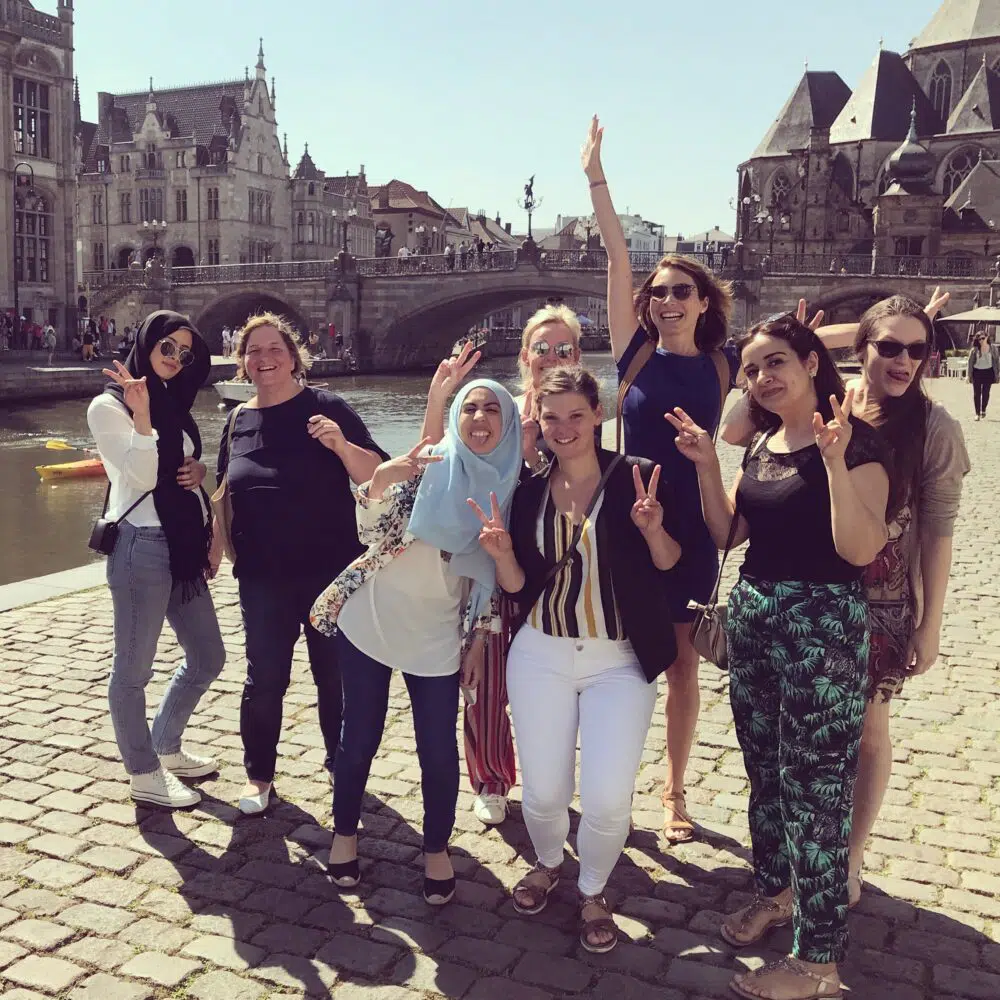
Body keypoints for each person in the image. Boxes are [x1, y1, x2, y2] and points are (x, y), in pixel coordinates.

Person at [666, 314, 889, 1000]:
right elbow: (728, 532)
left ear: (811, 363)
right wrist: (708, 467)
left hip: (823, 628)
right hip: (757, 618)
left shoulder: (857, 444)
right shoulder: (763, 442)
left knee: (815, 791)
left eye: (776, 363)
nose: (763, 377)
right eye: (753, 369)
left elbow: (860, 549)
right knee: (764, 773)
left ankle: (819, 963)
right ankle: (777, 892)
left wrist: (833, 462)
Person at [476, 365, 682, 953]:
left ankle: (593, 889)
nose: (564, 428)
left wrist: (653, 529)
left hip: (620, 659)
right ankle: (547, 862)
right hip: (540, 652)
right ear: (538, 423)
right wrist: (501, 554)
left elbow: (671, 564)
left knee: (608, 797)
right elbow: (520, 586)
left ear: (598, 415)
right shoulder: (529, 491)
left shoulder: (638, 476)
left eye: (576, 415)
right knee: (543, 793)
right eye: (552, 417)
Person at [311, 378, 523, 905]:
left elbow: (490, 585)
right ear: (456, 417)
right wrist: (382, 478)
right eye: (469, 408)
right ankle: (344, 837)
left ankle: (435, 849)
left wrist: (478, 643)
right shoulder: (432, 466)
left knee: (437, 748)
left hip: (437, 632)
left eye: (491, 409)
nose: (479, 418)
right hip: (373, 619)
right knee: (358, 736)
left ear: (508, 423)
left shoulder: (513, 488)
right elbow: (370, 530)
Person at [582, 115, 733, 844]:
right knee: (609, 658)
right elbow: (618, 257)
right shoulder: (634, 353)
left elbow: (808, 353)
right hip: (627, 525)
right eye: (660, 292)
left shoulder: (725, 367)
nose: (667, 300)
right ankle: (599, 781)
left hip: (691, 528)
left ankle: (673, 793)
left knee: (679, 667)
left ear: (703, 302)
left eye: (681, 291)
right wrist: (596, 177)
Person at [418, 304, 591, 827]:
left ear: (578, 356)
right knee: (486, 681)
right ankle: (491, 779)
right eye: (542, 348)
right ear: (525, 356)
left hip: (556, 574)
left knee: (557, 689)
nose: (552, 357)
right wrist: (439, 398)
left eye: (564, 349)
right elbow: (437, 460)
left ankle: (555, 782)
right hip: (490, 570)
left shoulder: (581, 415)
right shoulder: (496, 409)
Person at [218, 312, 387, 815]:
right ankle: (259, 776)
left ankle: (340, 763)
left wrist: (340, 444)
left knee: (332, 675)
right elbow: (226, 490)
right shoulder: (237, 420)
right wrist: (213, 546)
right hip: (261, 576)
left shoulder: (326, 407)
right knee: (264, 678)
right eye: (253, 351)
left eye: (275, 349)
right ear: (243, 363)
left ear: (294, 358)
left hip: (328, 572)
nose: (264, 358)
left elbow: (380, 475)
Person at [843, 296, 970, 907]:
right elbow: (741, 411)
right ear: (861, 348)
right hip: (813, 590)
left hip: (884, 600)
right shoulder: (832, 402)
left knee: (870, 728)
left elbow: (940, 529)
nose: (904, 360)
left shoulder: (936, 426)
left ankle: (851, 853)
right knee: (808, 729)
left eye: (918, 349)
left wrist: (931, 624)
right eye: (889, 346)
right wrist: (812, 339)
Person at [86, 310, 225, 809]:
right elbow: (143, 477)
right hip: (140, 547)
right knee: (132, 670)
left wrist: (197, 468)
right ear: (146, 343)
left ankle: (165, 743)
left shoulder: (171, 400)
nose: (175, 358)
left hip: (180, 547)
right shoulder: (109, 407)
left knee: (208, 655)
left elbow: (178, 463)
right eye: (168, 347)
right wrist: (141, 415)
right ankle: (143, 771)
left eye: (185, 353)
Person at [967, 331, 999, 419]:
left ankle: (983, 410)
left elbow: (996, 361)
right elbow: (970, 362)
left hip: (988, 372)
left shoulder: (993, 348)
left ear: (987, 337)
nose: (981, 340)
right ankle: (977, 413)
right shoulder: (974, 349)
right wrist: (969, 375)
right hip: (977, 372)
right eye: (979, 339)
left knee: (986, 393)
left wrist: (998, 373)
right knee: (977, 393)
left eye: (983, 338)